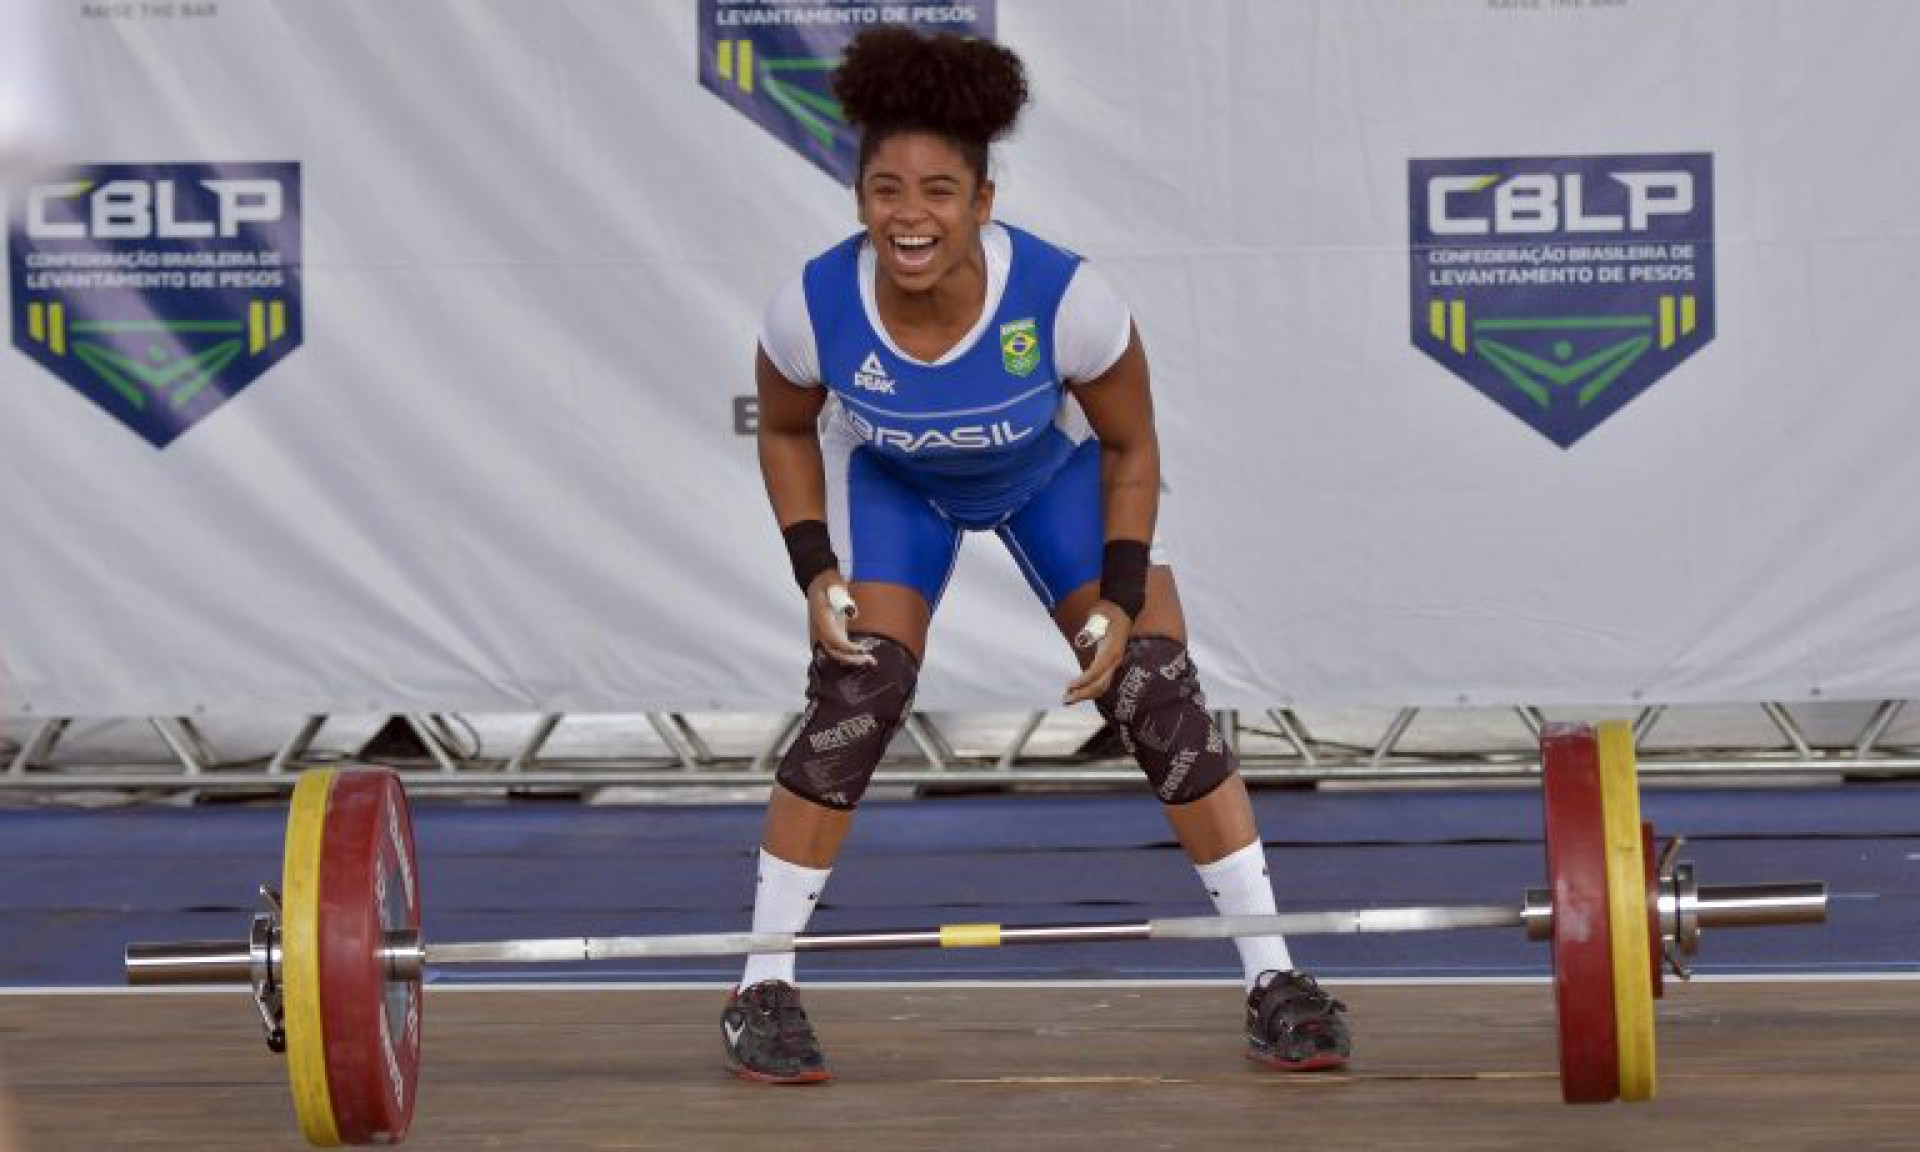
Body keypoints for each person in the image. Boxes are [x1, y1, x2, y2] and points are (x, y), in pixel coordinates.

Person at [722, 25, 1350, 1084]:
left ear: (982, 202)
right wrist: (814, 569)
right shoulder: (815, 307)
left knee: (1158, 692)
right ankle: (761, 988)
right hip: (899, 486)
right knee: (856, 698)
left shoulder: (1065, 300)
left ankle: (1273, 979)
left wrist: (1115, 595)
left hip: (1048, 477)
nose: (908, 216)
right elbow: (787, 430)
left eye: (936, 191)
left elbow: (1130, 444)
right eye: (885, 189)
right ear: (858, 197)